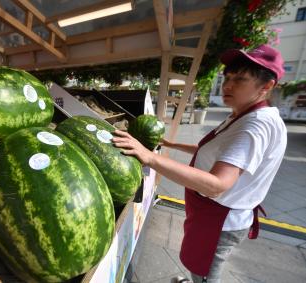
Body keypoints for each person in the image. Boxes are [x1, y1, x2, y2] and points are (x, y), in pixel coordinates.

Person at [112, 44, 287, 283]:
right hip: (213, 215)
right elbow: (219, 154)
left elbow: (216, 184)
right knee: (198, 264)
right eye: (227, 77)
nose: (227, 85)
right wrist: (172, 146)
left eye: (240, 79)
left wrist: (149, 156)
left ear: (266, 86)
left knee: (205, 272)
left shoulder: (254, 126)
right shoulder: (243, 114)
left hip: (220, 222)